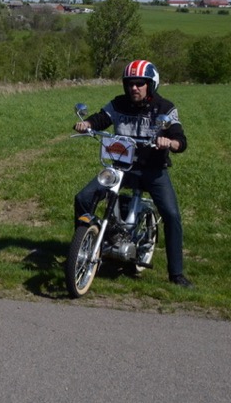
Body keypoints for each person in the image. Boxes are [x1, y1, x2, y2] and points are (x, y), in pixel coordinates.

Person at [73, 59, 193, 287]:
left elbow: (179, 137)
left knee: (171, 215)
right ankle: (84, 248)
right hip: (121, 167)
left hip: (152, 170)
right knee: (83, 197)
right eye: (130, 84)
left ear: (151, 84)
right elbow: (101, 118)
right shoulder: (119, 103)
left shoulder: (164, 108)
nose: (134, 88)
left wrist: (171, 142)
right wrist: (87, 123)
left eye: (139, 83)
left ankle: (176, 274)